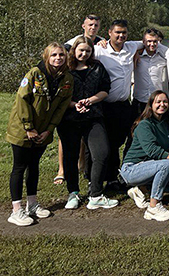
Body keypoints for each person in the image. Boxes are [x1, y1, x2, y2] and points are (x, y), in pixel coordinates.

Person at [6, 42, 74, 226]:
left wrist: (49, 130)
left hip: (43, 131)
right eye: (54, 55)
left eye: (61, 55)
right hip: (22, 129)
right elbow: (22, 99)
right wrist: (28, 128)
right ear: (46, 57)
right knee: (19, 167)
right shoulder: (35, 73)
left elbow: (61, 108)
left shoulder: (67, 78)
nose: (58, 58)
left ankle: (32, 204)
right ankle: (16, 210)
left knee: (34, 166)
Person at [57, 36, 112, 210]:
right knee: (71, 156)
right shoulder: (65, 69)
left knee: (101, 153)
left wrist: (90, 100)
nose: (84, 53)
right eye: (81, 50)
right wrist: (75, 104)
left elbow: (105, 90)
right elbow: (59, 94)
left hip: (93, 116)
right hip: (69, 119)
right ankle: (73, 193)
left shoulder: (97, 67)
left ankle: (95, 193)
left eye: (88, 51)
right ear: (74, 50)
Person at [120, 91, 169, 221]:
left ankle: (141, 190)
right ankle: (153, 207)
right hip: (132, 169)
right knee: (166, 164)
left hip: (151, 167)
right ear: (150, 105)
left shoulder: (166, 123)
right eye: (158, 102)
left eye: (165, 102)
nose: (162, 105)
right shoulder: (144, 124)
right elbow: (152, 150)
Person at [94, 19, 142, 192]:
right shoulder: (100, 50)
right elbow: (77, 51)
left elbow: (149, 41)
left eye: (124, 33)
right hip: (105, 105)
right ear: (109, 33)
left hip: (124, 105)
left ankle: (119, 175)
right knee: (107, 144)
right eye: (117, 33)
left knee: (121, 140)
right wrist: (95, 40)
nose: (121, 36)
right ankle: (105, 179)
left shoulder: (130, 47)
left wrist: (139, 52)